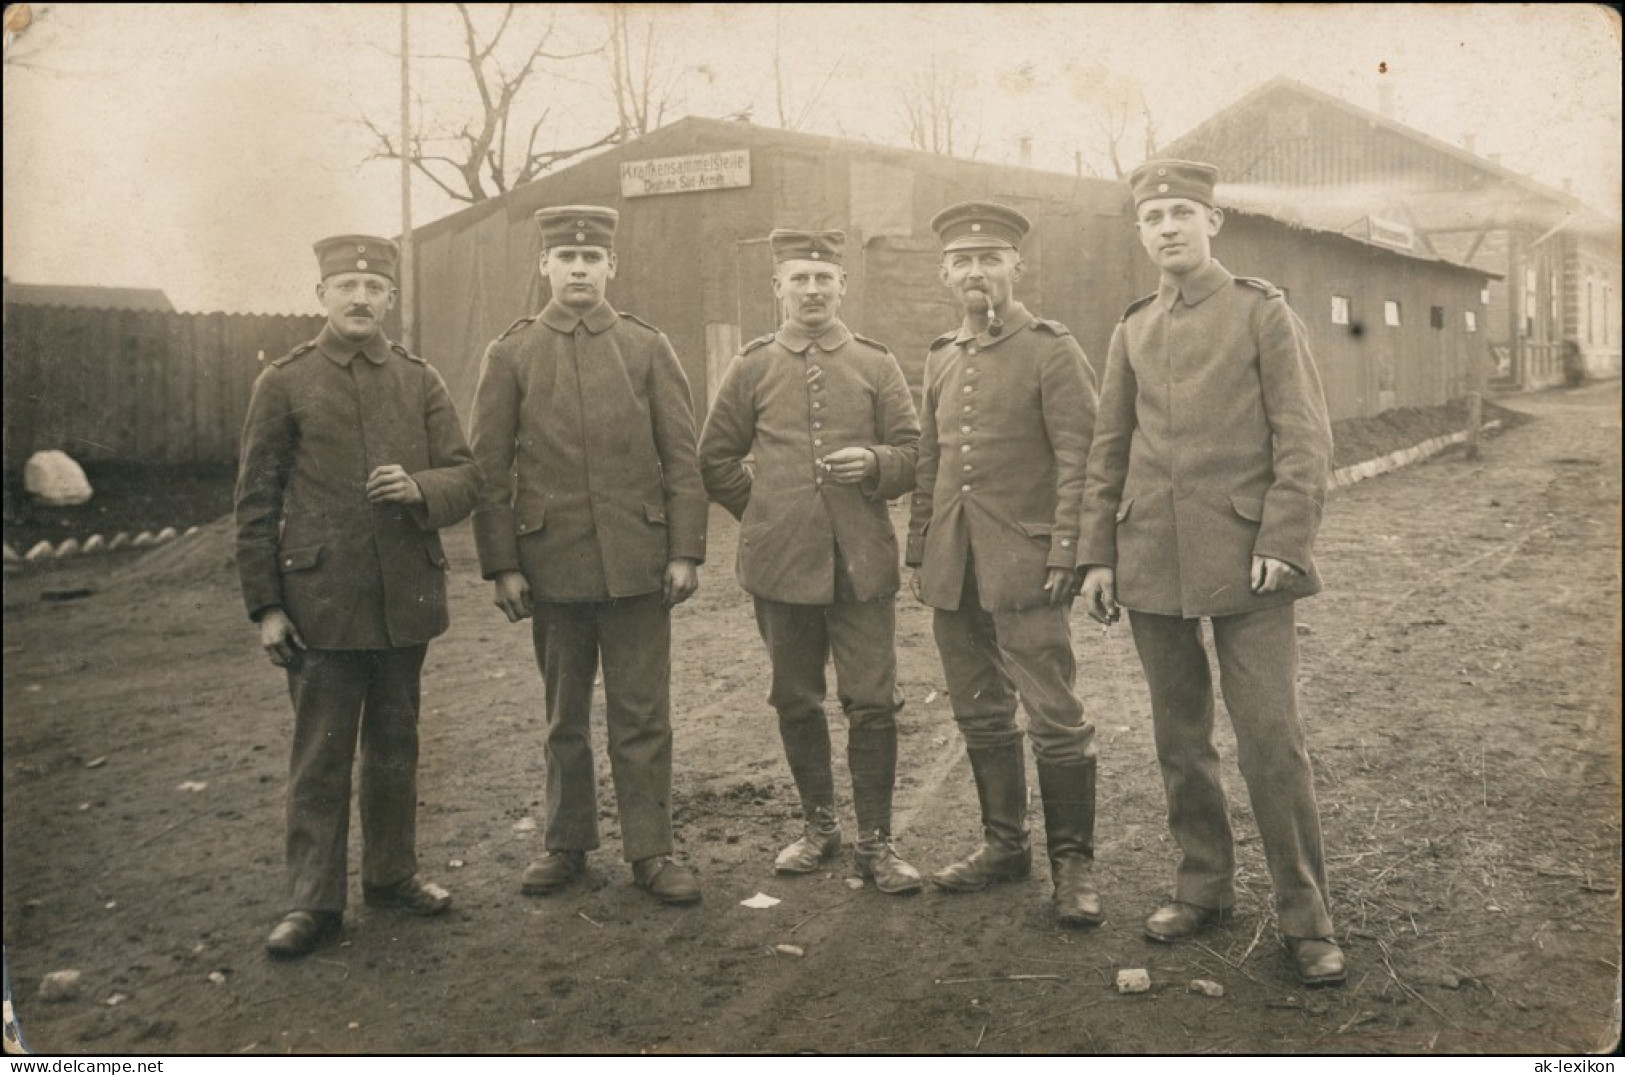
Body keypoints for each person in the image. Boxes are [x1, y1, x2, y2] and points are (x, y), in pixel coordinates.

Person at [1077, 159, 1346, 986]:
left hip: (1249, 562)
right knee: (1178, 736)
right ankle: (1202, 886)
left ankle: (1306, 916)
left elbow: (1302, 438)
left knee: (1270, 737)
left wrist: (1282, 540)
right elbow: (1108, 449)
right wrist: (1097, 553)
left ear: (1212, 222)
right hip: (1151, 557)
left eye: (1181, 212)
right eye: (1152, 215)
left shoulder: (1261, 312)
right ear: (1140, 230)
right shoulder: (1130, 328)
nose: (1166, 227)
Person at [236, 234, 481, 958]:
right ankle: (311, 901)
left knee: (396, 746)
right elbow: (254, 501)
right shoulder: (283, 381)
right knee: (319, 755)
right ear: (320, 296)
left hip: (403, 600)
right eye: (345, 285)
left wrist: (418, 488)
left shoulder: (418, 379)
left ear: (391, 300)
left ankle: (391, 874)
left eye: (373, 288)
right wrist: (267, 605)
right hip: (321, 605)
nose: (360, 298)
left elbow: (466, 475)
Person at [470, 205, 707, 906]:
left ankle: (651, 850)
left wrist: (684, 550)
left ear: (611, 267)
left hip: (639, 562)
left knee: (641, 713)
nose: (578, 269)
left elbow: (681, 457)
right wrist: (503, 563)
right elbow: (490, 470)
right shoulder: (509, 354)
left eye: (591, 259)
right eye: (565, 259)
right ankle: (565, 843)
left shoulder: (646, 347)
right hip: (552, 566)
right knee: (562, 715)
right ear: (544, 266)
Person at [699, 228, 923, 894]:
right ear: (778, 287)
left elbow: (914, 454)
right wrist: (765, 513)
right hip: (780, 565)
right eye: (799, 278)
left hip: (861, 565)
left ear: (843, 285)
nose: (813, 289)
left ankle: (876, 843)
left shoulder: (876, 363)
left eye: (824, 278)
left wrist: (878, 463)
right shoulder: (752, 366)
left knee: (873, 702)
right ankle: (819, 826)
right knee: (795, 698)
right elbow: (713, 459)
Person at [906, 202, 1103, 927]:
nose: (975, 271)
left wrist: (1067, 549)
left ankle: (1073, 866)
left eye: (990, 258)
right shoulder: (938, 355)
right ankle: (1003, 845)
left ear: (1016, 267)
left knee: (1054, 712)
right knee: (979, 708)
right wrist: (920, 546)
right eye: (961, 260)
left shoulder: (1051, 348)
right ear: (944, 273)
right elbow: (929, 457)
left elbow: (1081, 456)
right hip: (953, 562)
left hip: (1027, 562)